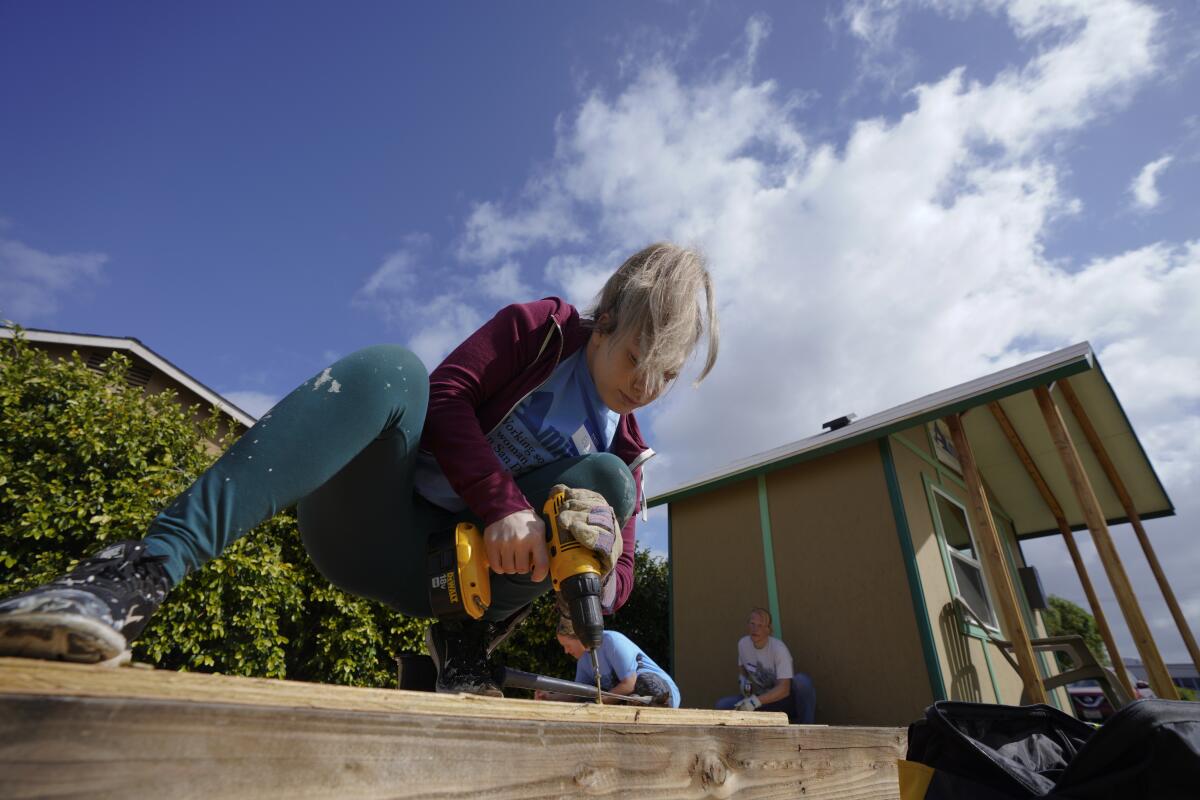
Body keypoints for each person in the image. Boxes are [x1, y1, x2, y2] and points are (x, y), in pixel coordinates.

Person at [0, 243, 718, 698]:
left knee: (605, 487)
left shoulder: (626, 451)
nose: (646, 384)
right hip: (379, 533)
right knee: (391, 372)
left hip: (466, 587)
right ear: (613, 313)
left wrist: (597, 576)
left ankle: (462, 653)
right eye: (637, 357)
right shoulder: (544, 331)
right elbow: (445, 395)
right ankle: (135, 573)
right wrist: (501, 503)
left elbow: (617, 579)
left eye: (668, 374)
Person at [540, 616, 680, 707]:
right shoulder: (583, 661)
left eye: (567, 645)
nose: (566, 651)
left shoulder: (612, 641)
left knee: (643, 682)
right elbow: (577, 694)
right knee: (587, 696)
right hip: (632, 698)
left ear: (579, 636)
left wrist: (598, 702)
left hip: (664, 694)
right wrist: (549, 697)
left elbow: (629, 684)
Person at [715, 607, 816, 724]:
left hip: (784, 702)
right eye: (752, 624)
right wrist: (743, 681)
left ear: (769, 630)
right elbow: (743, 670)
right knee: (722, 705)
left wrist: (754, 702)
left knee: (802, 681)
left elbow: (784, 689)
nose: (755, 629)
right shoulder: (743, 644)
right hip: (761, 701)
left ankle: (806, 726)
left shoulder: (779, 649)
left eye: (760, 625)